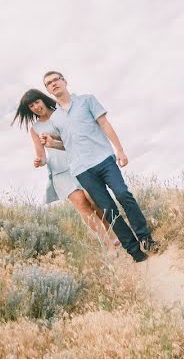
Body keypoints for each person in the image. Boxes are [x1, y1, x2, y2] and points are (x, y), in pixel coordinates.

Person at [40, 70, 161, 263]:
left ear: (65, 81)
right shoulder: (55, 119)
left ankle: (145, 238)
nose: (53, 84)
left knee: (123, 195)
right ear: (48, 89)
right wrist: (51, 144)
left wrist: (120, 150)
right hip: (81, 169)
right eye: (49, 83)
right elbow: (68, 143)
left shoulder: (87, 100)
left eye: (56, 80)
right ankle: (134, 250)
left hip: (104, 159)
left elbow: (104, 124)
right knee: (108, 208)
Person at [12, 88, 120, 249]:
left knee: (92, 198)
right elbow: (41, 155)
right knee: (81, 204)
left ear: (42, 100)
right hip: (59, 172)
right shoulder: (35, 129)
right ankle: (109, 246)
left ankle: (113, 234)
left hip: (79, 164)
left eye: (36, 102)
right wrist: (39, 161)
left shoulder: (61, 114)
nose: (35, 107)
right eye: (31, 106)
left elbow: (74, 139)